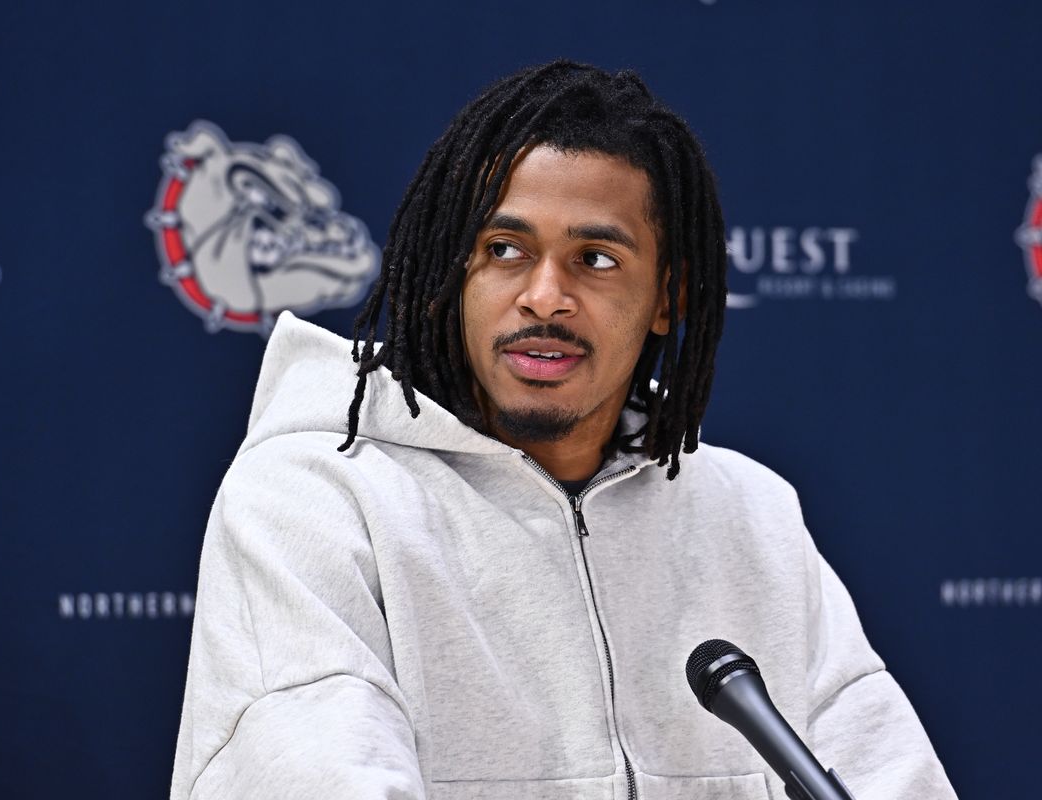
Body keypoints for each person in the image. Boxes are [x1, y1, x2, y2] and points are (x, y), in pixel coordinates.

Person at [171, 62, 957, 800]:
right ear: (453, 275)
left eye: (597, 259)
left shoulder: (752, 516)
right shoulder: (315, 500)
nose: (546, 297)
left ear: (666, 298)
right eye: (504, 251)